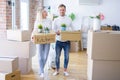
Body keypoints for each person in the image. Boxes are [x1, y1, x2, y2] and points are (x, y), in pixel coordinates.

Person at [52, 4, 73, 76]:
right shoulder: (56, 20)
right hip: (58, 41)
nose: (62, 11)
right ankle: (57, 70)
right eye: (60, 10)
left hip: (67, 42)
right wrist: (56, 32)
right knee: (57, 56)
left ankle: (65, 70)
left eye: (63, 10)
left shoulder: (69, 19)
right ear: (58, 11)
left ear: (65, 10)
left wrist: (68, 31)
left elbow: (72, 29)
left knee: (66, 57)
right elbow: (53, 29)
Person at [31, 9, 52, 78]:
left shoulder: (49, 20)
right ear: (41, 13)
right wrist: (32, 36)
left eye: (46, 11)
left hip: (47, 39)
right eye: (45, 11)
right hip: (39, 40)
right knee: (40, 56)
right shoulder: (37, 21)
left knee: (45, 55)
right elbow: (34, 30)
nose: (46, 12)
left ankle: (41, 68)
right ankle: (42, 71)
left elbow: (51, 30)